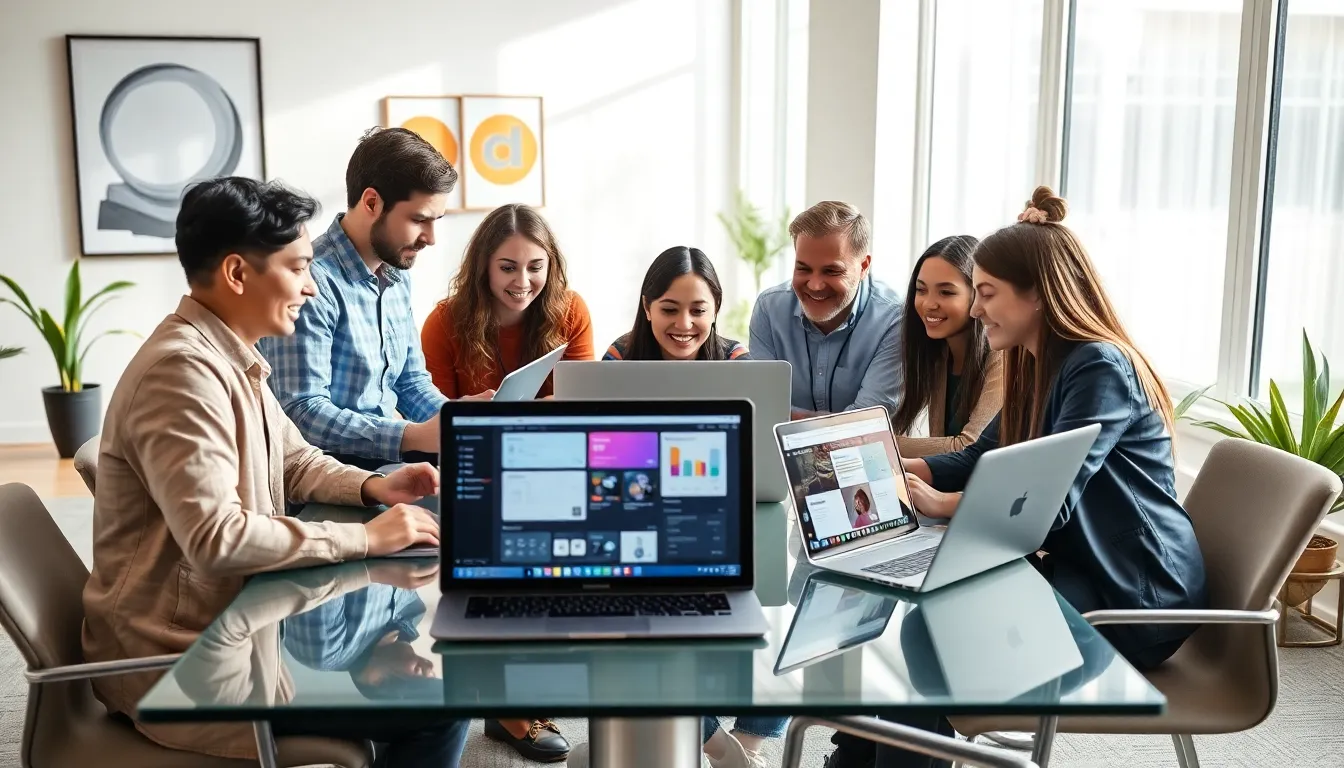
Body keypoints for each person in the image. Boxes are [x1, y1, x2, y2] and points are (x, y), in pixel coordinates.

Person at [81, 177, 466, 765]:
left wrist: (372, 486)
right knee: (438, 704)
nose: (311, 288)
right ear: (238, 274)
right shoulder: (181, 375)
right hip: (184, 665)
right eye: (298, 268)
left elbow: (292, 459)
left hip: (240, 629)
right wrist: (363, 536)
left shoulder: (230, 353)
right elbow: (217, 538)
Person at [829, 187, 1210, 768]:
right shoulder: (1042, 361)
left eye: (986, 293)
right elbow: (984, 455)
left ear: (1039, 297)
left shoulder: (1098, 366)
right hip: (1079, 566)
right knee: (919, 626)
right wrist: (896, 471)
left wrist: (942, 504)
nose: (976, 311)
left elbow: (1044, 504)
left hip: (1136, 594)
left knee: (931, 634)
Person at [257, 127, 490, 472]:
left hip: (389, 465)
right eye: (418, 220)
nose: (431, 238)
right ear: (371, 203)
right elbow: (302, 412)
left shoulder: (397, 272)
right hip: (326, 478)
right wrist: (410, 437)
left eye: (436, 220)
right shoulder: (310, 282)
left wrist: (454, 421)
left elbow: (410, 382)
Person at [748, 201, 904, 419]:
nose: (815, 285)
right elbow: (759, 406)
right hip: (777, 450)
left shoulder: (894, 319)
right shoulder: (769, 308)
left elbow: (867, 423)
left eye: (831, 271)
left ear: (864, 267)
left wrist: (786, 418)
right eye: (803, 268)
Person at [421, 203, 594, 399]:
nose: (522, 282)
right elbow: (435, 416)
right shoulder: (443, 323)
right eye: (508, 268)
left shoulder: (572, 310)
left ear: (550, 266)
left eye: (535, 268)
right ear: (483, 267)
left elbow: (583, 401)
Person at [889, 235, 1004, 458]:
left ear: (977, 295)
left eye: (946, 292)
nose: (929, 304)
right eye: (921, 290)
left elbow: (969, 447)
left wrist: (879, 442)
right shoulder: (938, 354)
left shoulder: (1002, 357)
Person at [603, 246, 749, 361]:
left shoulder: (737, 361)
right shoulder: (619, 357)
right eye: (669, 310)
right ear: (647, 307)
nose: (684, 324)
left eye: (698, 311)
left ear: (715, 309)